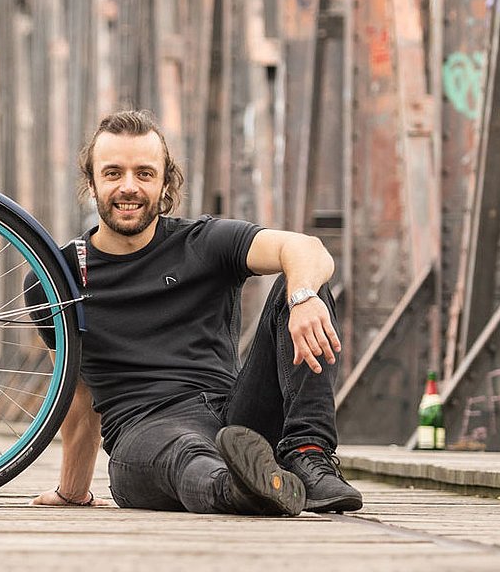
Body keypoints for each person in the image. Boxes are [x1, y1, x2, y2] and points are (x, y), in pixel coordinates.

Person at [27, 109, 362, 516]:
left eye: (144, 174)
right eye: (113, 173)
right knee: (185, 452)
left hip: (233, 416)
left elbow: (306, 248)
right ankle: (241, 489)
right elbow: (76, 398)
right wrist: (72, 491)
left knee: (301, 282)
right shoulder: (55, 277)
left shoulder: (202, 242)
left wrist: (304, 297)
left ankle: (308, 454)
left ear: (165, 182)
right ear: (91, 183)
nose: (128, 187)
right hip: (144, 432)